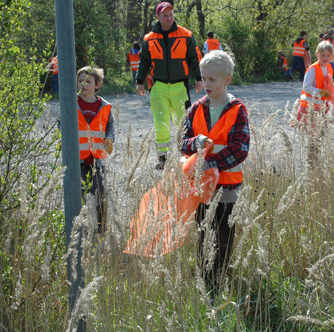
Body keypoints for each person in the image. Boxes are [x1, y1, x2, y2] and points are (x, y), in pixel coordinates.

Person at [180, 50, 250, 293]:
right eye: (203, 78)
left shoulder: (237, 110)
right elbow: (183, 141)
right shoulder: (196, 109)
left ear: (227, 80)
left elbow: (239, 149)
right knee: (203, 232)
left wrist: (213, 164)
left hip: (228, 186)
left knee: (223, 233)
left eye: (212, 80)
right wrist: (195, 142)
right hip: (202, 186)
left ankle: (221, 277)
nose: (206, 84)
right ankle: (205, 279)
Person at [136, 2, 203, 170]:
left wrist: (199, 78)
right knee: (161, 123)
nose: (169, 18)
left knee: (185, 123)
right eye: (165, 15)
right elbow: (143, 62)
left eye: (171, 14)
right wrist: (139, 81)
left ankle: (187, 156)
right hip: (158, 87)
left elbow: (195, 58)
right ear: (158, 17)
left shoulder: (186, 35)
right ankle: (163, 159)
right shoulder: (148, 39)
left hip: (180, 86)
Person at [76, 66, 115, 233]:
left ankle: (101, 230)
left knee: (101, 196)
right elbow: (62, 126)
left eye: (88, 81)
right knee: (80, 197)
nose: (83, 84)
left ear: (97, 85)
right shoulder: (71, 103)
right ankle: (80, 230)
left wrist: (110, 139)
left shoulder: (105, 106)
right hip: (78, 160)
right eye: (80, 81)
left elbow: (110, 127)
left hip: (97, 160)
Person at [296, 41, 334, 127]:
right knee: (312, 135)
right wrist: (322, 92)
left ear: (331, 56)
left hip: (322, 107)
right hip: (309, 107)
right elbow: (306, 87)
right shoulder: (313, 69)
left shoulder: (329, 67)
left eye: (328, 55)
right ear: (317, 54)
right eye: (323, 55)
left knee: (322, 134)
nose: (325, 58)